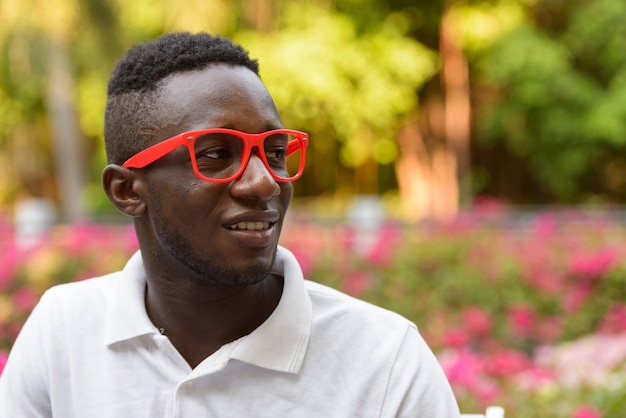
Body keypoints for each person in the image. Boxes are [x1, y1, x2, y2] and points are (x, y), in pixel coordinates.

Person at [0, 32, 459, 417]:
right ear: (127, 191)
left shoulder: (386, 363)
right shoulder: (62, 330)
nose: (264, 183)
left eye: (275, 152)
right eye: (216, 155)